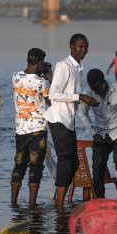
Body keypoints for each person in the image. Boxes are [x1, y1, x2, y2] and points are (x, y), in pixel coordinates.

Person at [45, 34, 99, 211]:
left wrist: (85, 99)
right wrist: (80, 96)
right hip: (58, 119)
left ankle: (61, 203)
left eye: (85, 47)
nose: (82, 50)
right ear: (71, 47)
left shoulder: (78, 68)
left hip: (69, 121)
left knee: (73, 163)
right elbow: (53, 94)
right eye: (79, 47)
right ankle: (59, 206)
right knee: (66, 161)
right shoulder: (63, 66)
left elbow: (69, 95)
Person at [78, 68, 117, 200]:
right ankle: (100, 199)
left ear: (103, 81)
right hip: (101, 134)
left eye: (97, 86)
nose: (95, 90)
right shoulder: (89, 93)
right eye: (92, 87)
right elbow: (82, 113)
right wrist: (93, 133)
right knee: (97, 165)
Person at [11, 48, 52, 206]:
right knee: (35, 169)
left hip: (20, 130)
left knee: (19, 166)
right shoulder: (42, 82)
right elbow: (51, 102)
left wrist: (40, 73)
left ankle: (13, 203)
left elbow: (28, 82)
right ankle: (32, 204)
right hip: (38, 131)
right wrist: (49, 77)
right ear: (40, 63)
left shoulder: (15, 77)